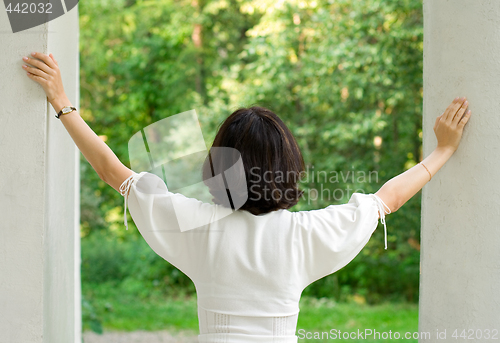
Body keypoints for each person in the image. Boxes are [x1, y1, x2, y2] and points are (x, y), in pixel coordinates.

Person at [22, 52, 471, 342]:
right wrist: (444, 150)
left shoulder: (195, 224)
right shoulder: (305, 234)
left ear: (217, 165)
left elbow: (112, 172)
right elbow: (385, 199)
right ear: (289, 165)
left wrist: (61, 100)